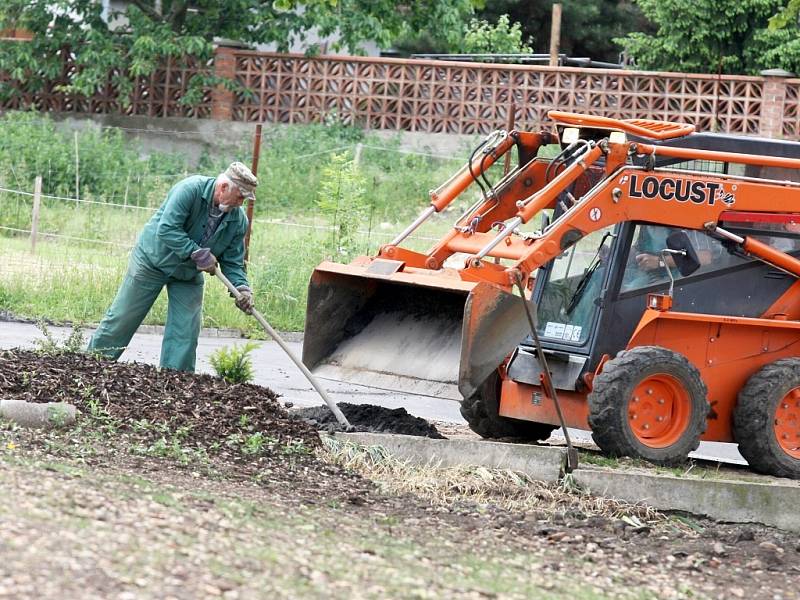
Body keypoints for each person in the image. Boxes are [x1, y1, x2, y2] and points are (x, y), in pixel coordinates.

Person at [87, 162, 258, 372]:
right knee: (123, 317)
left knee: (186, 330)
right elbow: (167, 229)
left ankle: (175, 382)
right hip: (152, 260)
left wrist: (241, 288)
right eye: (240, 197)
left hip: (187, 274)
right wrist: (196, 252)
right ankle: (92, 366)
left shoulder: (238, 220)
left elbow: (233, 261)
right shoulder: (190, 190)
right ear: (223, 187)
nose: (240, 203)